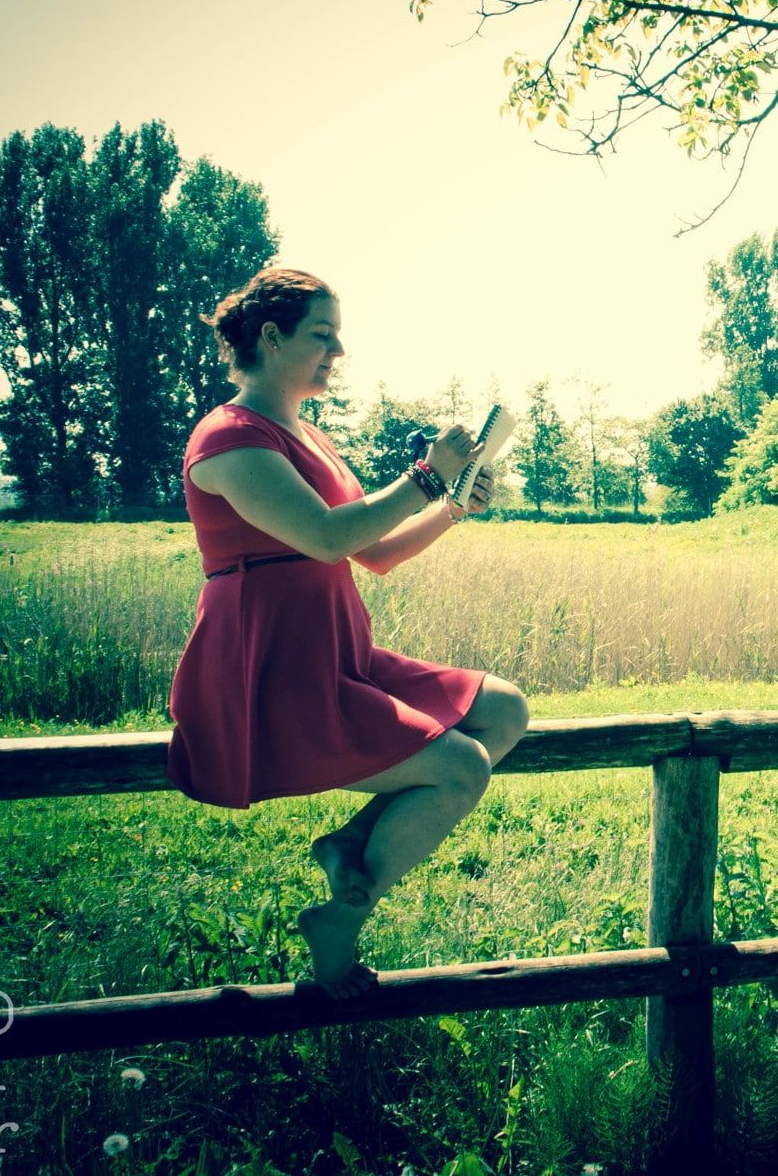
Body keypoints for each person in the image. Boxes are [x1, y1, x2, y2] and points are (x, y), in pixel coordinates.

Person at [167, 266, 530, 1000]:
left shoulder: (310, 435)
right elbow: (326, 537)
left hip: (339, 652)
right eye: (321, 335)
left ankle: (351, 846)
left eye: (337, 337)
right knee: (462, 768)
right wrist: (427, 475)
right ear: (270, 339)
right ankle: (342, 918)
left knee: (506, 709)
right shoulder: (228, 438)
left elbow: (376, 550)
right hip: (271, 670)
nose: (337, 351)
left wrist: (452, 506)